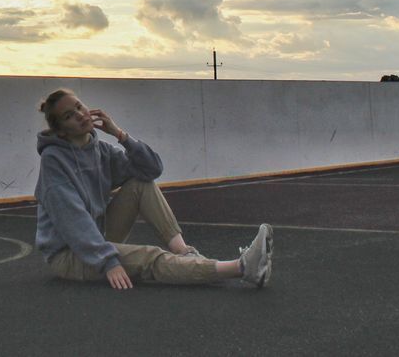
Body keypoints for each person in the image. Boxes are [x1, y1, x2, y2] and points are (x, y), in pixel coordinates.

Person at [34, 88, 273, 290]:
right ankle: (241, 268)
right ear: (61, 131)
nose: (79, 114)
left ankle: (185, 253)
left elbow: (151, 169)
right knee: (148, 256)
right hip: (70, 254)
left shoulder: (100, 150)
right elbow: (73, 221)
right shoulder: (54, 161)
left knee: (140, 183)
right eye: (68, 116)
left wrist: (120, 135)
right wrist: (108, 261)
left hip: (98, 236)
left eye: (78, 106)